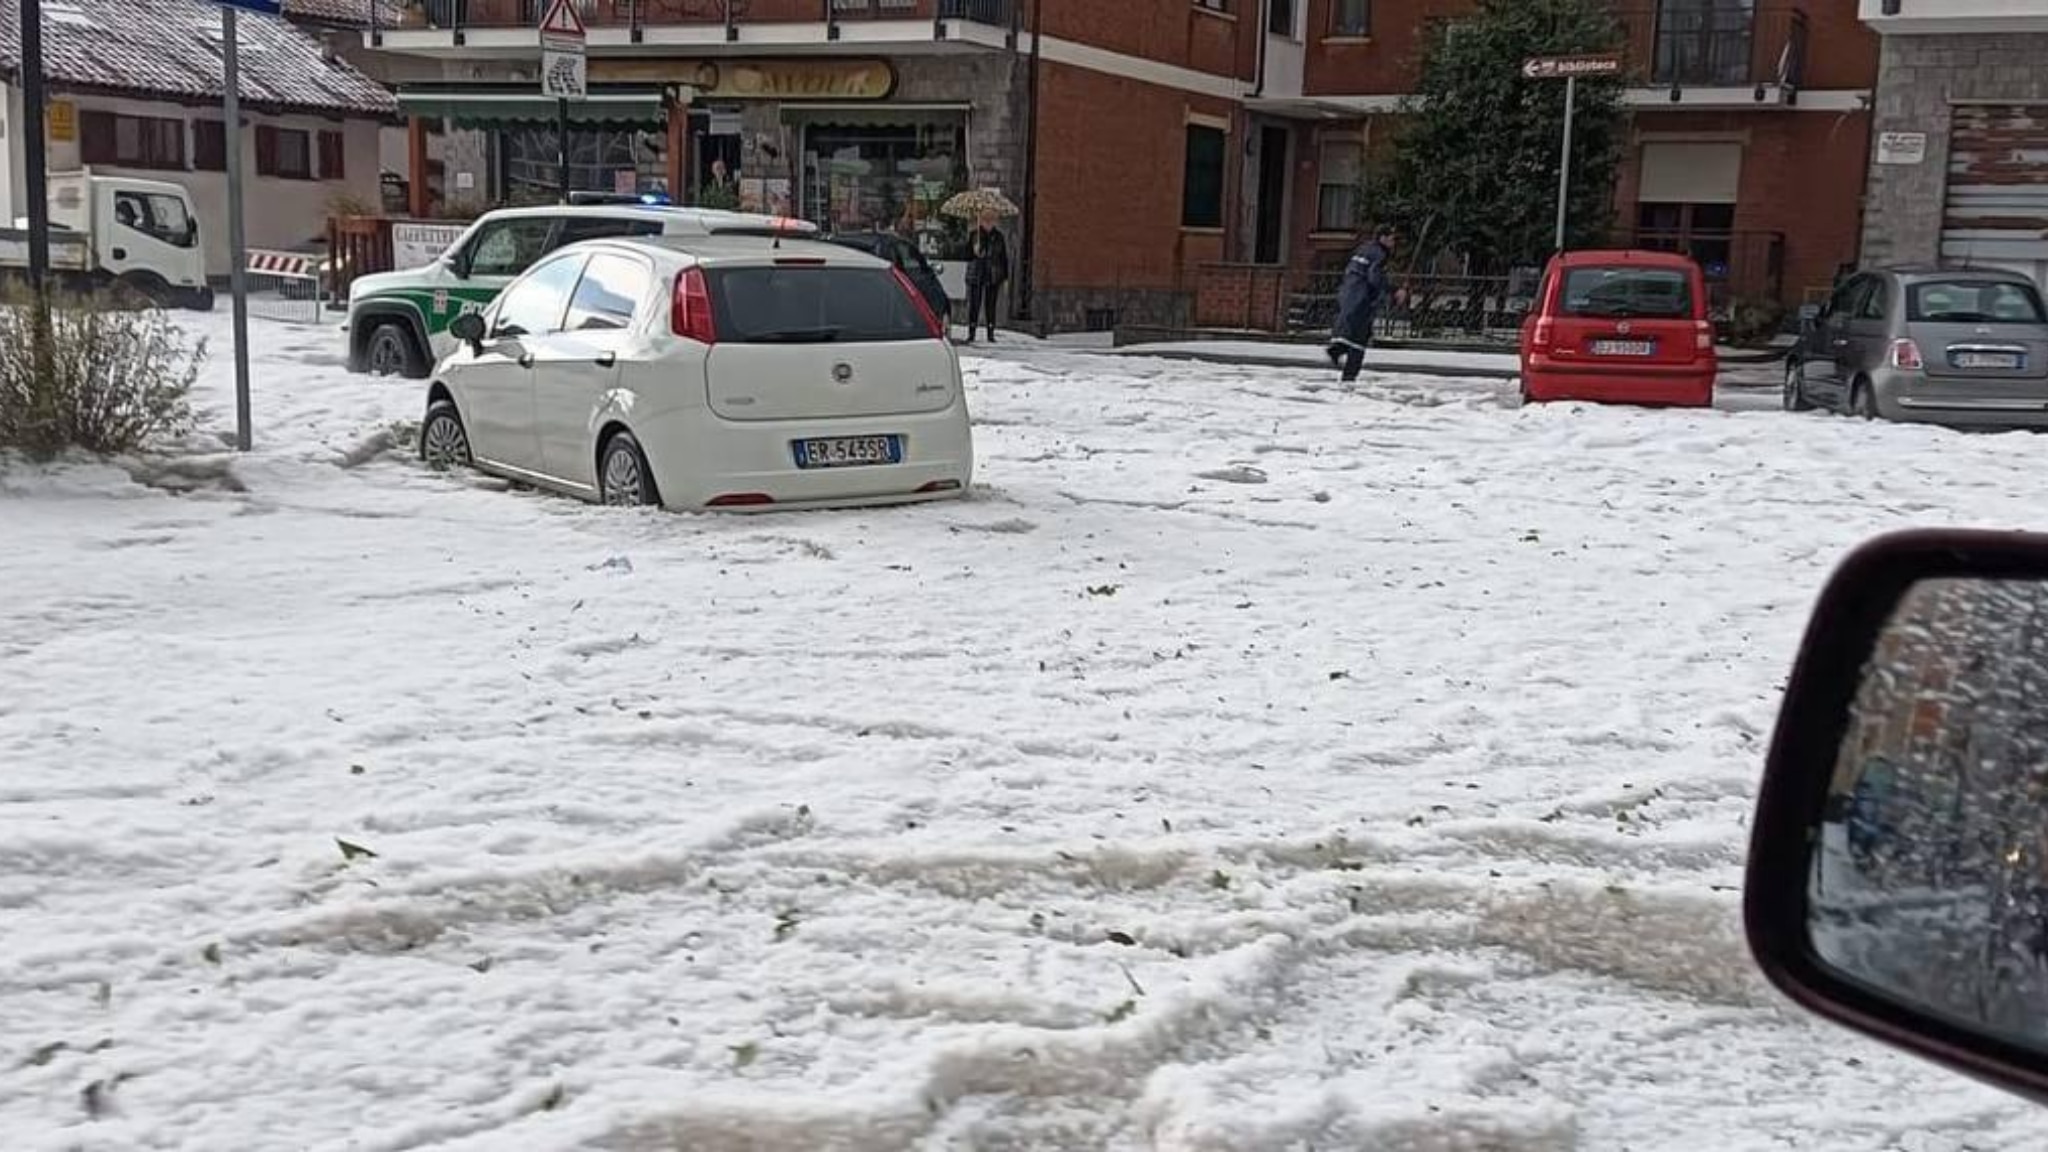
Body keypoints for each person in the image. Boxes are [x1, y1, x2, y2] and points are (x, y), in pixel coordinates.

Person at [1327, 224, 1397, 383]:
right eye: (1392, 239)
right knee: (1359, 340)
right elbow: (1375, 276)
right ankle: (1349, 376)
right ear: (1383, 238)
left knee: (1351, 332)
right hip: (1363, 297)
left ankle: (1337, 350)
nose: (1394, 243)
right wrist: (1392, 291)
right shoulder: (1380, 253)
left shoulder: (1363, 249)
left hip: (1347, 292)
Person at [963, 209, 1010, 345]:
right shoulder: (974, 235)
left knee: (991, 304)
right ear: (981, 220)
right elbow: (966, 256)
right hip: (976, 273)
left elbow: (1003, 258)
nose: (989, 222)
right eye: (986, 219)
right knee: (974, 304)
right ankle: (971, 332)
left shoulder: (998, 237)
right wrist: (974, 250)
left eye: (991, 219)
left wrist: (1005, 277)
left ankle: (990, 332)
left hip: (992, 274)